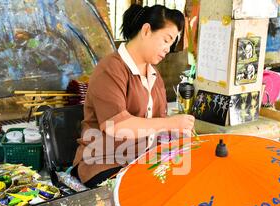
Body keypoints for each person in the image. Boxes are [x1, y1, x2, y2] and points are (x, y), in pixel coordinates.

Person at [72, 4, 195, 188]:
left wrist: (177, 132)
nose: (168, 49)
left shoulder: (154, 76)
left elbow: (157, 124)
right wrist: (170, 123)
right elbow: (116, 126)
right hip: (103, 161)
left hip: (140, 160)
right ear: (146, 30)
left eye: (172, 43)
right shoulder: (111, 69)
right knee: (147, 190)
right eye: (166, 39)